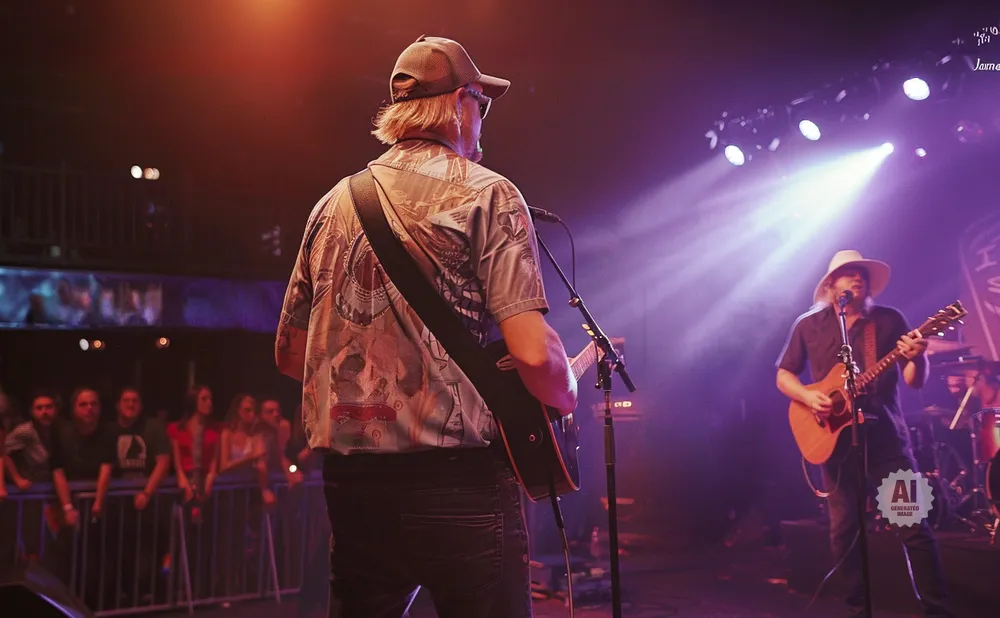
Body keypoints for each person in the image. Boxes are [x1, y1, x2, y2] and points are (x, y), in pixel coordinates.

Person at [275, 35, 578, 618]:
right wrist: (563, 393)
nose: (482, 120)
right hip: (456, 485)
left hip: (352, 487)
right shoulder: (488, 194)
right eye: (481, 104)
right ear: (461, 103)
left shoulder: (330, 205)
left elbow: (291, 356)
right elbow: (536, 357)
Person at [776, 250, 953, 617]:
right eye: (849, 273)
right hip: (835, 444)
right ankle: (857, 610)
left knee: (912, 524)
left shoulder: (889, 320)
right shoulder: (808, 325)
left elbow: (914, 381)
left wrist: (917, 357)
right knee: (844, 531)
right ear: (831, 285)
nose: (858, 278)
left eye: (862, 274)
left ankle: (937, 610)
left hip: (888, 442)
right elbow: (784, 374)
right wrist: (808, 396)